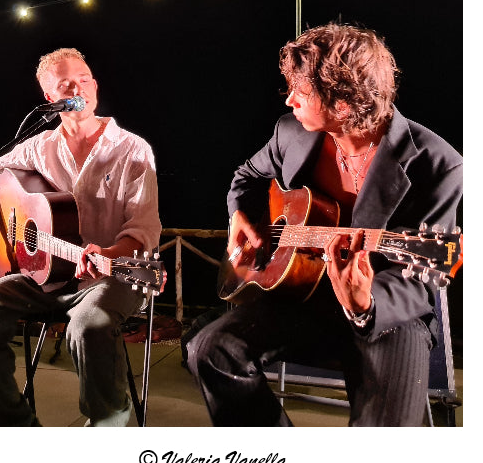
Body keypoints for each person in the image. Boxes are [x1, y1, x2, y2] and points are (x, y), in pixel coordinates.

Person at [187, 22, 462, 427]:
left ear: (343, 103)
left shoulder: (438, 164)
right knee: (209, 351)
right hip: (304, 297)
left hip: (387, 313)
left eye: (301, 92)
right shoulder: (291, 133)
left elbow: (419, 283)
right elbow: (246, 177)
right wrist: (239, 216)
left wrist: (364, 304)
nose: (289, 101)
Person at [0, 47, 162, 426]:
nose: (78, 89)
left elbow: (144, 229)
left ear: (95, 86)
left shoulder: (132, 149)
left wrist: (108, 253)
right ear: (50, 97)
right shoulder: (38, 147)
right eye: (66, 84)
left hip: (112, 275)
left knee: (89, 325)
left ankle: (108, 430)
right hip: (43, 277)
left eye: (84, 80)